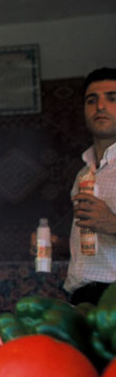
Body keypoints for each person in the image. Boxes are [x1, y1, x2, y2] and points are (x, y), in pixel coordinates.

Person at [65, 67, 116, 305]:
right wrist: (58, 245)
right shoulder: (84, 173)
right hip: (82, 295)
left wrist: (112, 224)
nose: (100, 107)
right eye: (91, 100)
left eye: (112, 98)